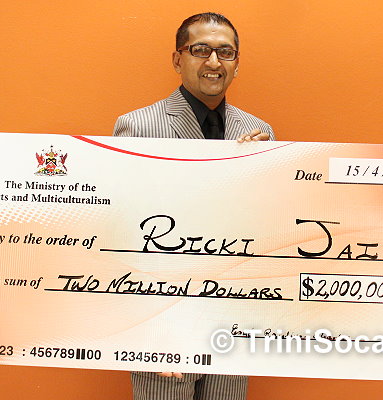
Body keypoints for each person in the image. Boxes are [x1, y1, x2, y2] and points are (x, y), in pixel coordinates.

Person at [113, 12, 274, 400]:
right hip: (162, 318)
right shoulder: (137, 127)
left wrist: (263, 167)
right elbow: (119, 233)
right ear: (177, 59)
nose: (214, 62)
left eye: (225, 52)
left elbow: (266, 228)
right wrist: (144, 330)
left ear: (237, 63)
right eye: (201, 50)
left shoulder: (259, 133)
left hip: (232, 319)